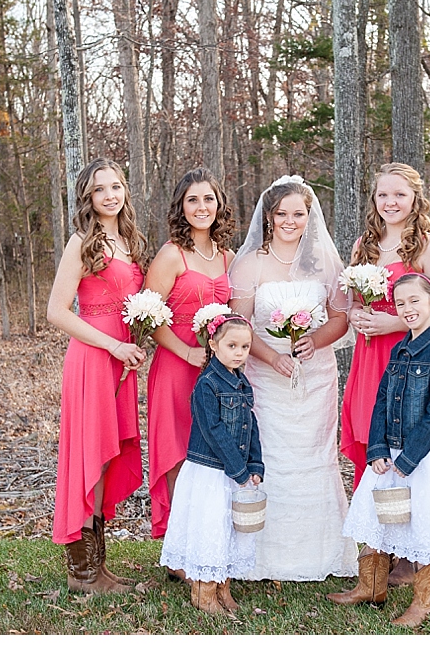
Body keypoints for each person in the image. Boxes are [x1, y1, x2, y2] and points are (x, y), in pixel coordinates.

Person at [228, 175, 358, 581]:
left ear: (309, 216)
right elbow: (238, 324)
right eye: (281, 213)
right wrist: (271, 357)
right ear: (268, 216)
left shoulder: (323, 261)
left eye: (297, 213)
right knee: (271, 454)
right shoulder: (251, 262)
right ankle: (263, 554)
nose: (289, 220)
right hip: (265, 375)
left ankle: (322, 553)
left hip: (315, 374)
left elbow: (340, 319)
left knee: (315, 455)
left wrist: (314, 342)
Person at [328, 272, 430, 628]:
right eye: (400, 303)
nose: (407, 309)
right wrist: (377, 447)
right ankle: (371, 585)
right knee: (374, 517)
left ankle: (424, 600)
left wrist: (408, 458)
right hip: (390, 451)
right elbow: (381, 402)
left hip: (425, 456)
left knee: (424, 524)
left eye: (414, 301)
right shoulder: (399, 348)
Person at [339, 162, 430, 587]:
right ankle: (375, 551)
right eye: (383, 195)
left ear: (414, 200)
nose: (390, 203)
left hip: (411, 357)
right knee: (374, 440)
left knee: (407, 445)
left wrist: (396, 323)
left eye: (399, 195)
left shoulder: (426, 246)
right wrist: (357, 314)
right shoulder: (362, 245)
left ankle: (408, 553)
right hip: (370, 356)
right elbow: (348, 301)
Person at [46, 157, 149, 594]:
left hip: (123, 362)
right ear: (88, 198)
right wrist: (112, 345)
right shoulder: (82, 243)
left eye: (116, 186)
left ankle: (98, 570)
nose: (111, 195)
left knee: (107, 455)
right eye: (100, 189)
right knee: (89, 454)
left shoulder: (130, 241)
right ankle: (82, 573)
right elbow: (55, 312)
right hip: (93, 359)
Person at [143, 167, 235, 581]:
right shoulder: (170, 255)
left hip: (217, 371)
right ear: (182, 206)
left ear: (220, 205)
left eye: (208, 199)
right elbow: (147, 316)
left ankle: (210, 542)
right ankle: (180, 553)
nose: (202, 207)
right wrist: (186, 351)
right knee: (180, 454)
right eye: (193, 200)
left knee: (212, 455)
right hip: (177, 364)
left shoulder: (229, 257)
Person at [159, 313, 264, 615]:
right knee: (210, 529)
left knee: (229, 530)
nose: (239, 353)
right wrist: (239, 469)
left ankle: (223, 588)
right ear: (214, 345)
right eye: (232, 345)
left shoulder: (241, 382)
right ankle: (203, 593)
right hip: (210, 472)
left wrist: (254, 465)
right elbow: (213, 431)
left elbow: (251, 425)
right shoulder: (207, 384)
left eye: (245, 347)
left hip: (235, 472)